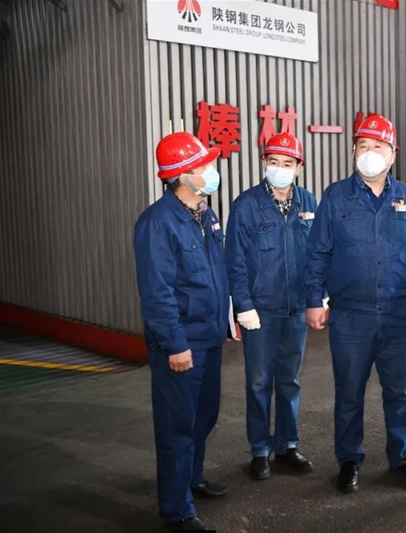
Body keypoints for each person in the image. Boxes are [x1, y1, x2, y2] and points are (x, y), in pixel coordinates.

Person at [304, 113, 406, 494]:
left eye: (378, 146)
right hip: (351, 316)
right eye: (363, 146)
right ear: (353, 152)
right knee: (349, 392)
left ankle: (402, 456)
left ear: (393, 153)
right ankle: (348, 459)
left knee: (399, 390)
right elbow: (318, 252)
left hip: (400, 315)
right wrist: (314, 299)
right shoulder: (335, 196)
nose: (370, 152)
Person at [133, 132, 229, 532]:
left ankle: (193, 478)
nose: (211, 171)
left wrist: (227, 319)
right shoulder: (158, 223)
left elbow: (216, 273)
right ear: (182, 175)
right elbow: (157, 292)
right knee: (177, 427)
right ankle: (176, 510)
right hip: (182, 343)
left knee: (204, 416)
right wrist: (175, 344)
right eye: (203, 165)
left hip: (210, 337)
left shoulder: (205, 214)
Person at [225, 132, 317, 482]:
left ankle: (287, 446)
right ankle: (260, 450)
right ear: (265, 163)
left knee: (290, 381)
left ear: (298, 167)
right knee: (259, 382)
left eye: (287, 163)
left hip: (296, 310)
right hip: (260, 311)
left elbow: (318, 253)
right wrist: (243, 306)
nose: (280, 168)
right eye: (274, 162)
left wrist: (318, 295)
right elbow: (235, 261)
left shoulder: (308, 201)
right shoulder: (246, 205)